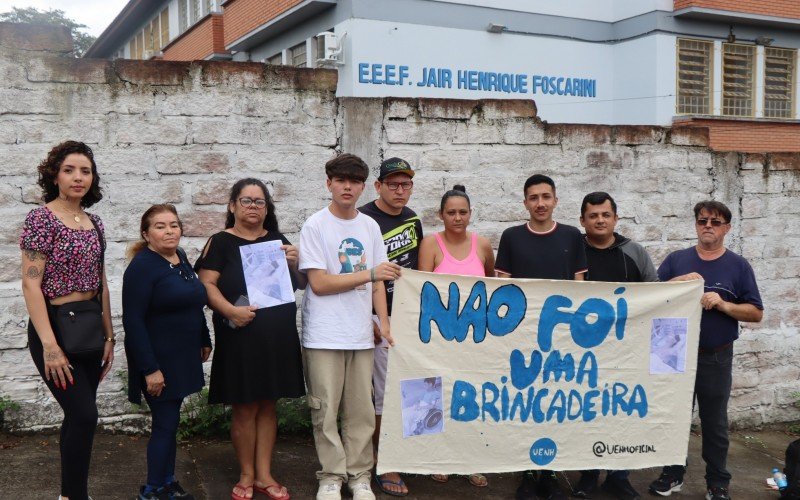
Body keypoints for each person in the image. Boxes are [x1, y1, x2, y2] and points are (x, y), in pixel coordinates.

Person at [299, 154, 401, 500]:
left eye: (354, 181)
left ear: (362, 187)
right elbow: (320, 284)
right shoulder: (315, 225)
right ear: (329, 183)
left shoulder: (370, 227)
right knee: (324, 409)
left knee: (361, 410)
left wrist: (384, 324)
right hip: (323, 332)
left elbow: (378, 284)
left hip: (360, 334)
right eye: (340, 180)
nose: (347, 187)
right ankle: (331, 475)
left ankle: (359, 475)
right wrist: (370, 273)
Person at [197, 178, 306, 500]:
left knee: (268, 405)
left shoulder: (276, 240)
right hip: (240, 334)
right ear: (232, 206)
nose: (253, 207)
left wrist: (297, 262)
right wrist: (231, 311)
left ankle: (264, 474)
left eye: (260, 202)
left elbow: (299, 283)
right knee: (245, 407)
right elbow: (205, 284)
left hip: (277, 337)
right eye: (246, 201)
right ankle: (246, 474)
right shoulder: (220, 242)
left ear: (267, 208)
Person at [648, 201, 763, 500]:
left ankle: (717, 482)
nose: (708, 225)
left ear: (727, 228)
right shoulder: (677, 259)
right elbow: (652, 298)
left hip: (715, 355)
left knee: (714, 422)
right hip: (674, 354)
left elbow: (756, 312)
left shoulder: (738, 266)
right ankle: (672, 473)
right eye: (702, 221)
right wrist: (677, 282)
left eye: (715, 221)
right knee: (672, 417)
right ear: (696, 225)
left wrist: (723, 303)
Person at [20, 140, 115, 500]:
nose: (78, 177)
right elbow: (30, 283)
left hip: (89, 326)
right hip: (55, 326)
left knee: (79, 418)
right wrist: (50, 346)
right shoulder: (41, 218)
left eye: (85, 171)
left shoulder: (95, 222)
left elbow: (102, 283)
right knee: (85, 414)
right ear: (55, 175)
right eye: (69, 170)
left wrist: (109, 336)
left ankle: (71, 494)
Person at [494, 174, 587, 500]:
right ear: (525, 203)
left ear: (556, 200)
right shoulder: (511, 237)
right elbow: (502, 289)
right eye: (533, 197)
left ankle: (550, 471)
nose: (540, 203)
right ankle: (528, 472)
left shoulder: (573, 236)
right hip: (522, 337)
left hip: (560, 337)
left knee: (554, 405)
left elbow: (579, 288)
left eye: (546, 196)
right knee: (526, 405)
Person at [123, 204, 212, 500]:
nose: (169, 231)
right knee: (165, 422)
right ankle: (152, 489)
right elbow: (133, 321)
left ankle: (167, 480)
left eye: (174, 224)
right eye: (160, 226)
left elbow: (193, 299)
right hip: (158, 359)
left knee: (171, 421)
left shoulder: (180, 257)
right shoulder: (142, 267)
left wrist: (204, 337)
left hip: (182, 355)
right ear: (146, 234)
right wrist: (150, 368)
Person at [572, 192, 658, 500]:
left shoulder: (634, 252)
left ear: (615, 219)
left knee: (622, 413)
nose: (599, 220)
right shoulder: (572, 251)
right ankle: (588, 474)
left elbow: (655, 297)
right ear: (583, 221)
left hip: (627, 351)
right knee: (587, 412)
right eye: (593, 215)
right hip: (582, 352)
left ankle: (619, 476)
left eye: (605, 215)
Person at [418, 184, 494, 488]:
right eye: (451, 212)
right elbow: (420, 290)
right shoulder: (430, 245)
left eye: (463, 212)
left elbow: (490, 286)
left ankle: (471, 459)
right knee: (436, 395)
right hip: (439, 337)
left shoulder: (483, 245)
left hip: (475, 338)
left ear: (470, 214)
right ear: (441, 214)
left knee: (473, 396)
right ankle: (437, 457)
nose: (457, 217)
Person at [358, 157, 423, 497]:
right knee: (382, 393)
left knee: (412, 389)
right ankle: (385, 462)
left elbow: (418, 270)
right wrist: (367, 317)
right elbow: (359, 270)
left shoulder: (412, 219)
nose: (400, 190)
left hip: (407, 316)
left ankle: (406, 453)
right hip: (373, 317)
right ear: (378, 186)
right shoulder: (365, 218)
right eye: (393, 184)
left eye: (406, 184)